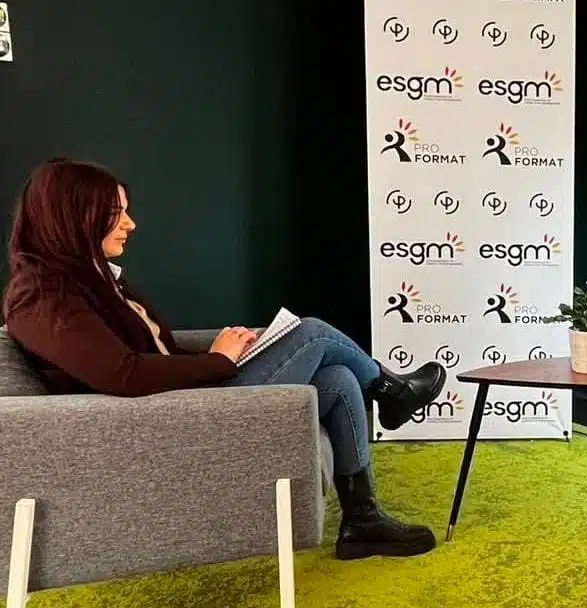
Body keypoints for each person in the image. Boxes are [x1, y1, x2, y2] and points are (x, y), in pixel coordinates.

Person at [3, 158, 445, 559]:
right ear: (73, 216)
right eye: (116, 213)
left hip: (185, 399)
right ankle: (393, 392)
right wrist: (218, 360)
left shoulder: (89, 280)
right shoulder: (42, 298)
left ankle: (363, 520)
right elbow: (125, 374)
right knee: (312, 333)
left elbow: (148, 353)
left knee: (337, 379)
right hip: (167, 421)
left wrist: (223, 353)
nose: (131, 224)